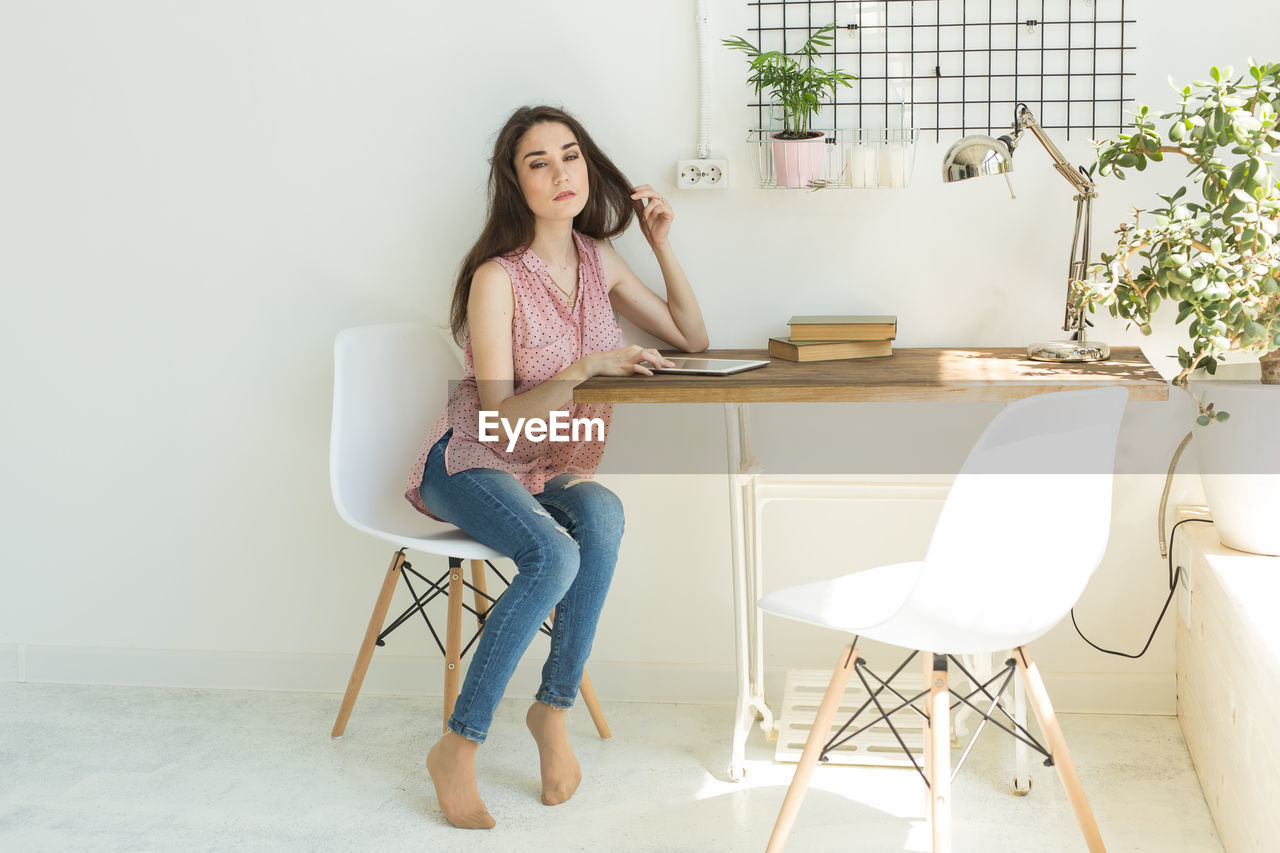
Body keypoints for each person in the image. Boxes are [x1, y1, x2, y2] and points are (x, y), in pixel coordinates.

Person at [404, 105, 709, 829]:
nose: (560, 173)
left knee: (602, 514)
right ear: (516, 183)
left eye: (569, 155)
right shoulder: (496, 278)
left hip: (548, 464)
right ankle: (458, 742)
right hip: (474, 457)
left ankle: (552, 710)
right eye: (538, 162)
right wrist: (586, 367)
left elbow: (693, 337)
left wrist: (661, 244)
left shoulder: (601, 258)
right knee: (554, 550)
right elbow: (501, 415)